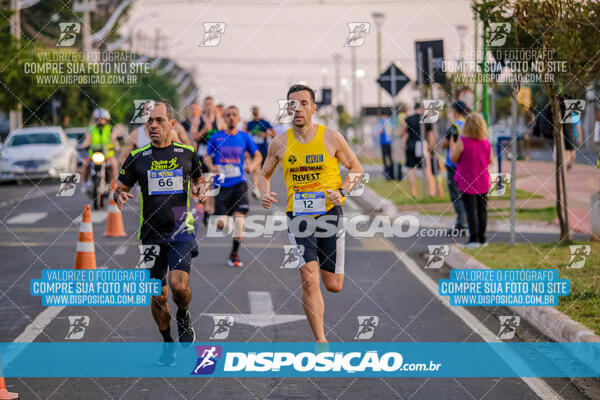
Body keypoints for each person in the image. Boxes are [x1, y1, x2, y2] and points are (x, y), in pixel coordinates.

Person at [259, 84, 364, 342]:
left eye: (304, 103)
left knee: (333, 285)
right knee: (308, 276)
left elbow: (357, 169)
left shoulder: (332, 137)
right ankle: (321, 341)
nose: (298, 109)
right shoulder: (280, 143)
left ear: (313, 108)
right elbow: (263, 175)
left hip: (329, 213)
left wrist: (342, 192)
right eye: (292, 104)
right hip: (299, 216)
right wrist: (263, 192)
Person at [114, 101, 208, 365]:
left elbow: (199, 181)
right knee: (157, 295)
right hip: (150, 233)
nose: (153, 126)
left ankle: (184, 314)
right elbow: (120, 186)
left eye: (159, 121)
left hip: (180, 228)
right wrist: (119, 195)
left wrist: (200, 189)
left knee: (179, 287)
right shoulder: (138, 158)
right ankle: (168, 344)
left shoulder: (187, 154)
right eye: (149, 122)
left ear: (172, 124)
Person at [204, 105, 262, 267]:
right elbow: (207, 156)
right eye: (228, 115)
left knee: (239, 222)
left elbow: (257, 155)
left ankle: (234, 254)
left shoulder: (245, 137)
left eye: (234, 115)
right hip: (221, 185)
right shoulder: (216, 137)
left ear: (238, 118)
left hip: (239, 184)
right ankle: (221, 218)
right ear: (224, 118)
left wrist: (253, 166)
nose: (231, 117)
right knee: (221, 225)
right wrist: (212, 166)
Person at [449, 112, 492, 248]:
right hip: (483, 181)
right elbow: (490, 160)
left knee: (471, 210)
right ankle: (482, 238)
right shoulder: (485, 142)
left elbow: (454, 159)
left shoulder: (463, 142)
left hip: (467, 181)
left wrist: (452, 145)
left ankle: (473, 239)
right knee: (482, 210)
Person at [189, 96, 225, 225]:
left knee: (212, 182)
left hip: (215, 155)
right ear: (203, 106)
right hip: (201, 153)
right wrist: (204, 130)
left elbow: (223, 137)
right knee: (202, 181)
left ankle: (211, 210)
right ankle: (205, 209)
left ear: (214, 106)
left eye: (211, 104)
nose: (209, 106)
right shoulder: (198, 119)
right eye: (206, 104)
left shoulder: (219, 120)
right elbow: (193, 137)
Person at [442, 101, 469, 235]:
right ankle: (464, 222)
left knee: (455, 194)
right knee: (464, 194)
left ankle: (461, 224)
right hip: (465, 164)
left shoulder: (455, 127)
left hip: (453, 165)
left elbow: (445, 144)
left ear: (455, 111)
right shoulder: (469, 126)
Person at [78, 108, 120, 190]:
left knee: (114, 164)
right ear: (95, 119)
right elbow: (87, 140)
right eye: (99, 119)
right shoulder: (91, 129)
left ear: (107, 120)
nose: (101, 121)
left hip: (107, 155)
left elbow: (114, 140)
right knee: (85, 164)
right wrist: (82, 147)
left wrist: (117, 147)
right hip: (93, 155)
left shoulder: (110, 129)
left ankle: (114, 185)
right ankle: (85, 183)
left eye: (103, 119)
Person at [401, 103, 435, 197]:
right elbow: (430, 135)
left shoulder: (408, 119)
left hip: (410, 145)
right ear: (422, 108)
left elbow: (403, 133)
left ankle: (414, 193)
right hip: (422, 145)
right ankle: (431, 192)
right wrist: (431, 148)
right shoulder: (427, 119)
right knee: (427, 169)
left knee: (411, 170)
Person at [245, 106, 275, 199]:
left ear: (258, 113)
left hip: (263, 150)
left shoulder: (264, 122)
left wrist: (265, 134)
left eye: (256, 113)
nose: (255, 115)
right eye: (253, 113)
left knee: (264, 172)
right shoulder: (249, 124)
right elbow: (246, 135)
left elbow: (273, 133)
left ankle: (264, 190)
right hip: (254, 151)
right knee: (256, 170)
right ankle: (256, 189)